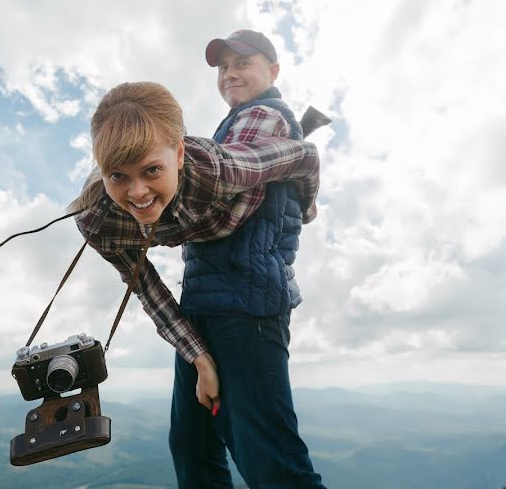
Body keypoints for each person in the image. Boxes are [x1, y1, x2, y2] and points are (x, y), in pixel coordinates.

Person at [70, 78, 326, 488]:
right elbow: (149, 291)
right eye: (117, 176)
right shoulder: (100, 220)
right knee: (190, 447)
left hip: (250, 273)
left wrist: (303, 207)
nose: (137, 192)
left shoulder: (221, 169)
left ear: (180, 153)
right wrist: (198, 357)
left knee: (267, 461)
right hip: (203, 294)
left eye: (152, 170)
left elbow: (306, 157)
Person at [166, 30, 327, 488]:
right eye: (223, 67)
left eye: (243, 63)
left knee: (271, 463)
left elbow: (221, 200)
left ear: (273, 72)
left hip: (243, 310)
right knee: (193, 447)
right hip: (210, 306)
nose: (229, 74)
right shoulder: (239, 123)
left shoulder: (263, 115)